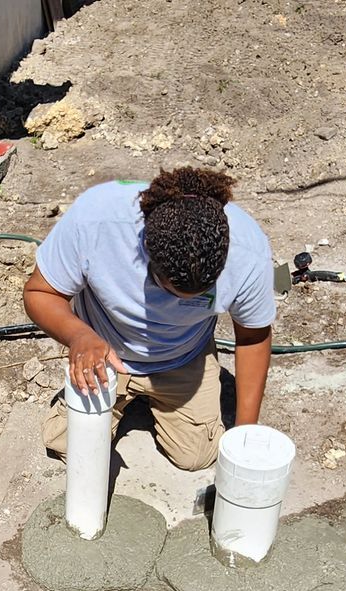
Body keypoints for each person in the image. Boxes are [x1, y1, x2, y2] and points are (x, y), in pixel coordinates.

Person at [24, 168, 276, 471]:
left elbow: (253, 337)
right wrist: (79, 336)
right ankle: (120, 396)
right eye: (168, 290)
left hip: (181, 355)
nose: (175, 303)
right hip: (106, 351)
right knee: (69, 444)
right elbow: (39, 293)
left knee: (197, 456)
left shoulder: (248, 254)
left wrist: (244, 436)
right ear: (145, 250)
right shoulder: (97, 220)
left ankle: (158, 395)